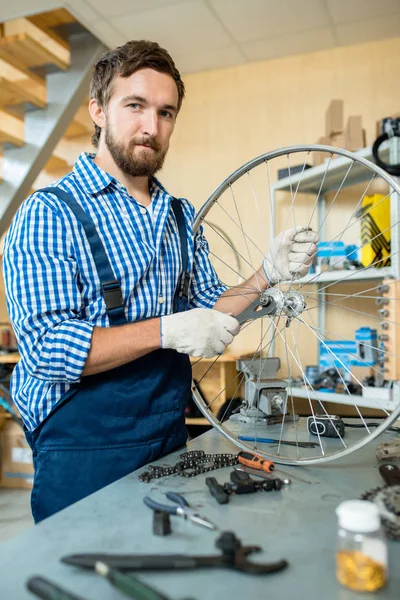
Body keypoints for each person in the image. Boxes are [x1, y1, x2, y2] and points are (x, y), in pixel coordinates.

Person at [2, 40, 318, 523]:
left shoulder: (179, 215)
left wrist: (266, 275)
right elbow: (47, 350)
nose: (152, 126)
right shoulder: (49, 213)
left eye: (166, 112)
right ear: (98, 112)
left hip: (167, 431)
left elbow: (211, 305)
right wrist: (167, 331)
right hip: (82, 446)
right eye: (135, 106)